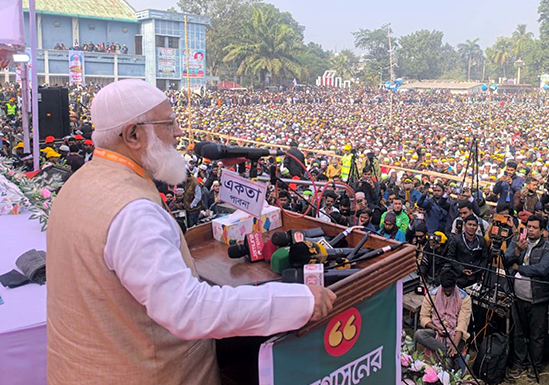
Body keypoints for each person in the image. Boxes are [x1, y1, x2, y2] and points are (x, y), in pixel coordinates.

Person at [46, 80, 336, 384]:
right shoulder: (132, 212)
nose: (180, 133)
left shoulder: (80, 182)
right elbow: (188, 310)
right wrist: (299, 301)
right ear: (133, 134)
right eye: (169, 124)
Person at [505, 215, 549, 379]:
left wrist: (519, 267)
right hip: (517, 297)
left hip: (537, 299)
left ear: (542, 230)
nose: (531, 230)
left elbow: (543, 269)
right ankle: (519, 364)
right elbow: (505, 260)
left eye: (535, 227)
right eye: (529, 227)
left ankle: (534, 366)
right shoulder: (518, 241)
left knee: (537, 335)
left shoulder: (548, 248)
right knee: (519, 333)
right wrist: (517, 251)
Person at [415, 269, 472, 372]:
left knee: (447, 363)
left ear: (455, 285)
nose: (447, 293)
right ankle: (447, 353)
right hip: (437, 331)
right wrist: (436, 328)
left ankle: (450, 358)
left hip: (455, 334)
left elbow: (463, 323)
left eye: (450, 291)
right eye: (445, 291)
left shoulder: (465, 298)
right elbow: (423, 316)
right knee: (419, 334)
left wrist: (454, 344)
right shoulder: (432, 295)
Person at [445, 214, 486, 287]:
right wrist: (462, 269)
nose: (472, 227)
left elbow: (485, 258)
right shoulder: (456, 239)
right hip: (458, 277)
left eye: (474, 225)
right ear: (464, 225)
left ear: (477, 227)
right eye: (469, 224)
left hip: (475, 279)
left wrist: (477, 271)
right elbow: (450, 257)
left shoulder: (481, 240)